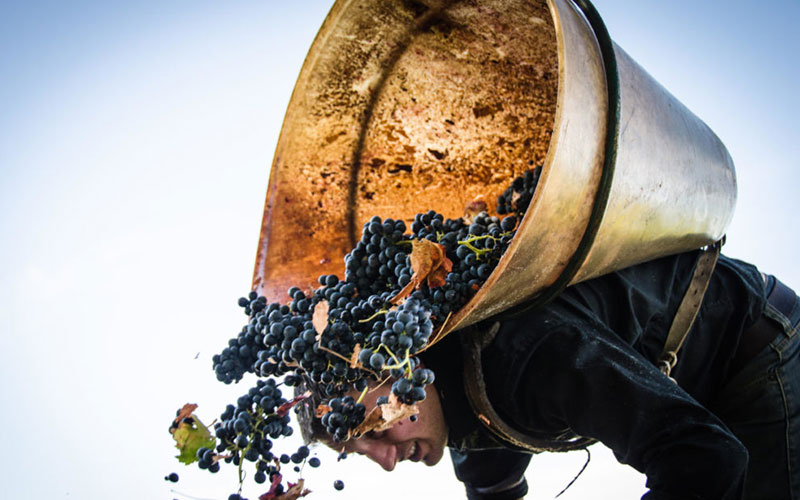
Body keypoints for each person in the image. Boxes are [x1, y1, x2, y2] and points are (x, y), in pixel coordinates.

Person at [301, 248, 800, 500]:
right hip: (692, 399)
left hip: (756, 353)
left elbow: (705, 459)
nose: (386, 461)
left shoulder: (528, 356)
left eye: (373, 429)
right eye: (361, 453)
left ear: (399, 363)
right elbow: (493, 491)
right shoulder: (457, 406)